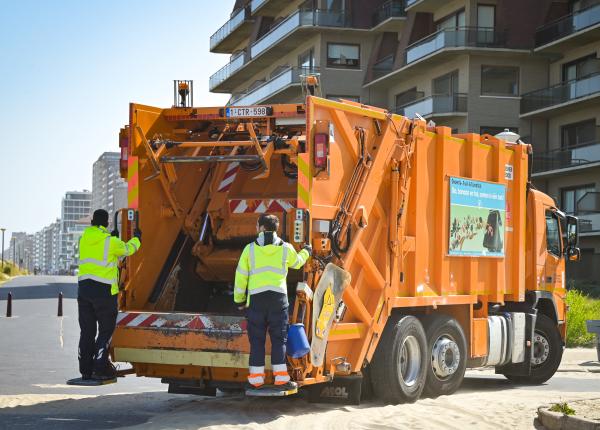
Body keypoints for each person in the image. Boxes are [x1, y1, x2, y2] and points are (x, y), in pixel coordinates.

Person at [234, 214, 311, 390]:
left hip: (257, 301)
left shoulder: (249, 249)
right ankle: (281, 379)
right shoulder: (285, 248)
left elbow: (241, 277)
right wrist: (307, 251)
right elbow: (298, 263)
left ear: (261, 228)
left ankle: (256, 380)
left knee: (257, 341)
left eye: (257, 225)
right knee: (279, 340)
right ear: (276, 229)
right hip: (278, 301)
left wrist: (239, 301)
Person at [77, 209, 141, 381]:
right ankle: (100, 368)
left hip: (84, 290)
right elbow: (127, 249)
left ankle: (85, 370)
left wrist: (112, 238)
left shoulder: (84, 239)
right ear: (106, 223)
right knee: (105, 331)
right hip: (104, 291)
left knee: (87, 332)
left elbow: (99, 252)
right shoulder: (110, 242)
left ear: (92, 222)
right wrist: (137, 238)